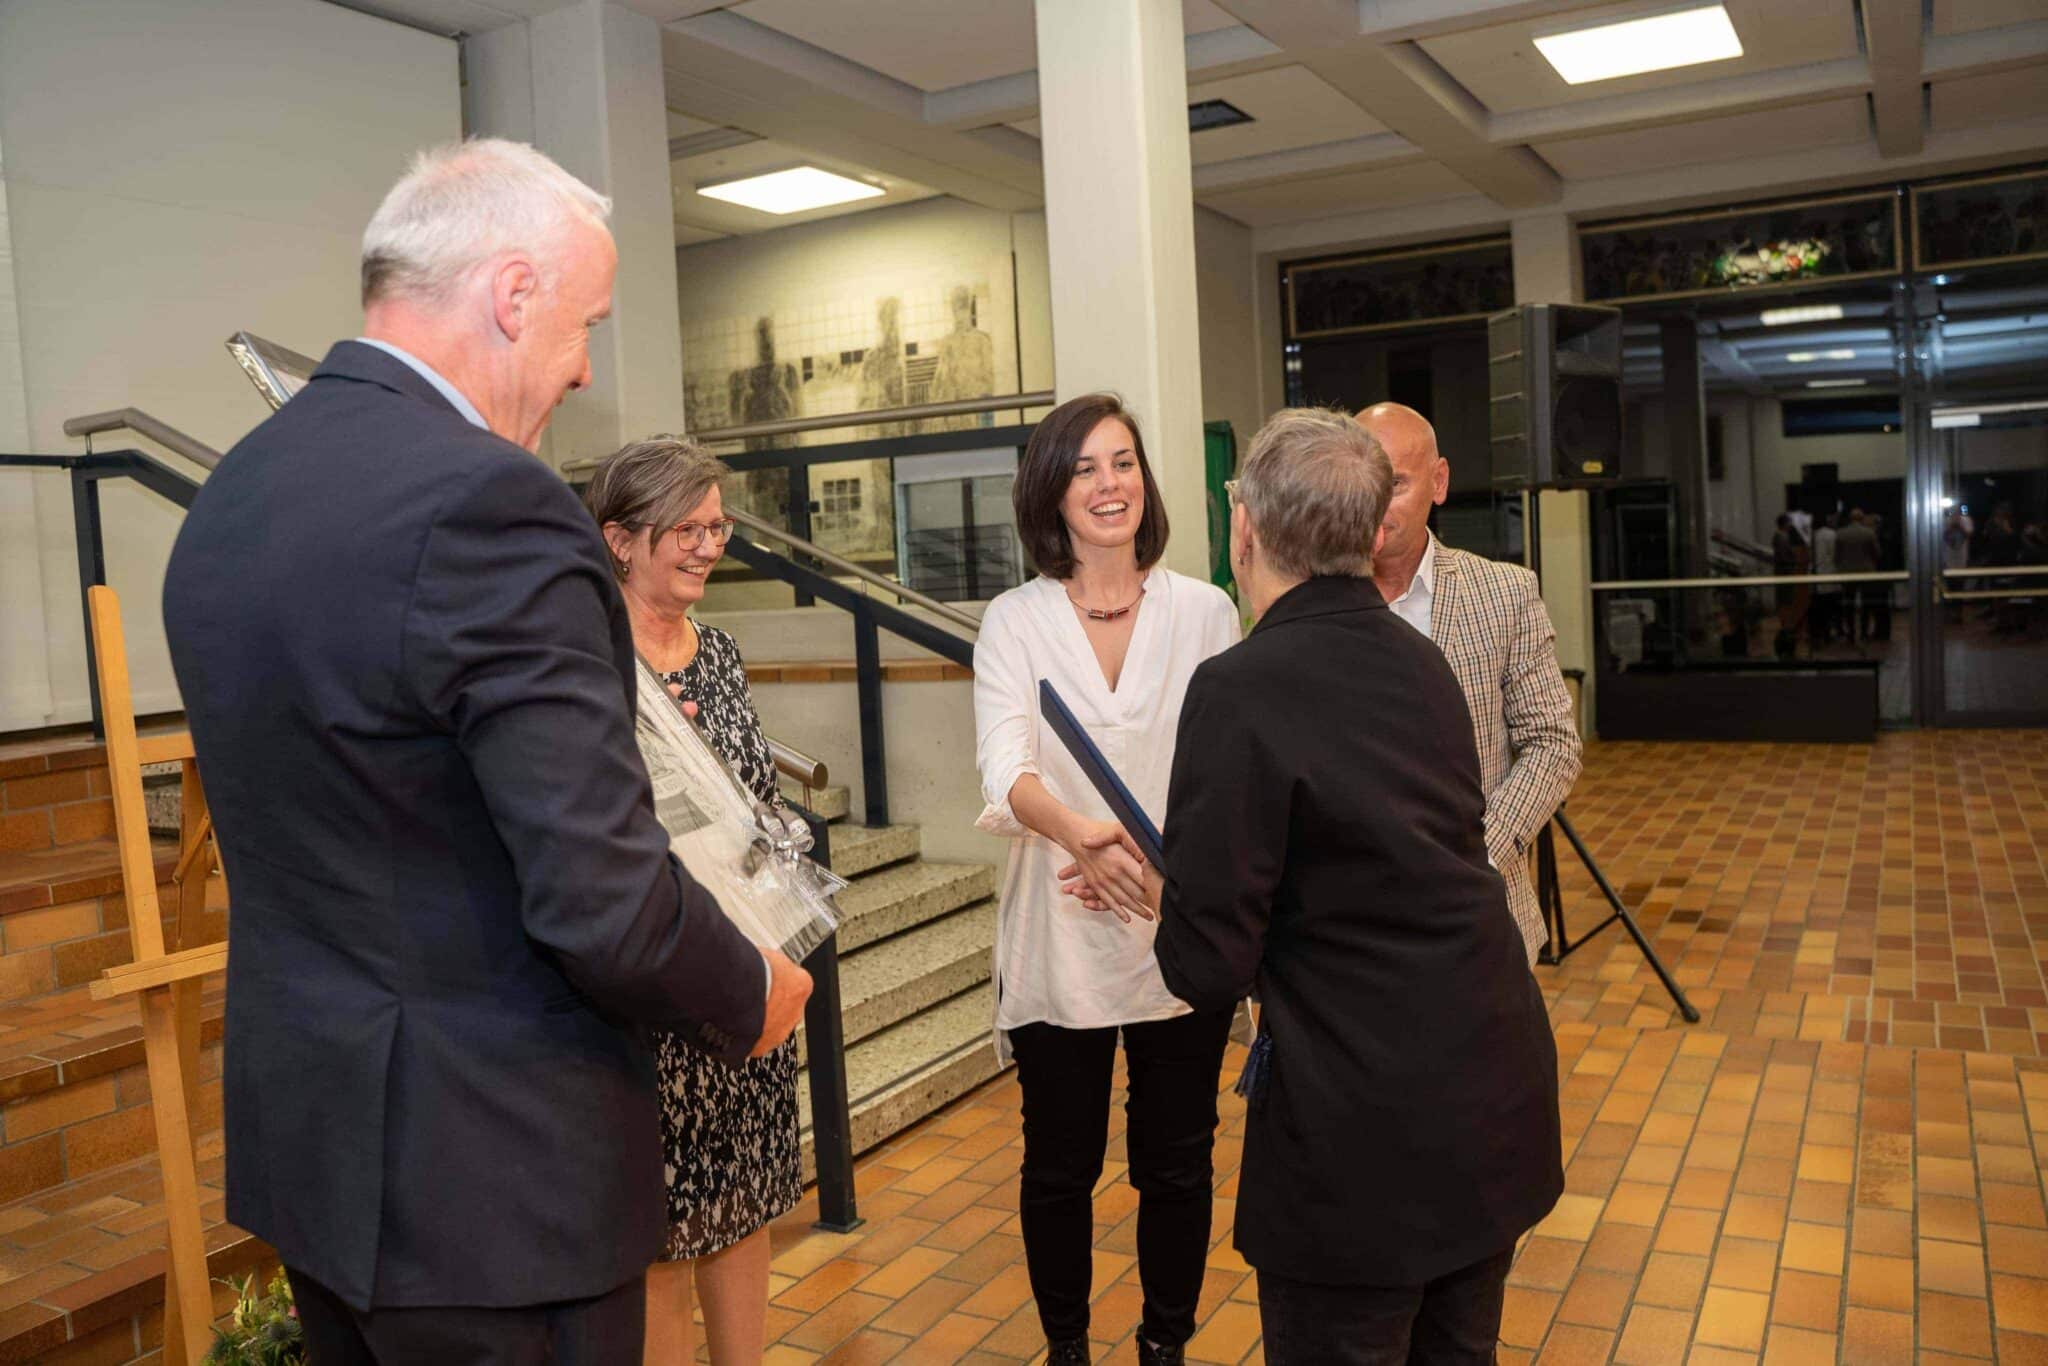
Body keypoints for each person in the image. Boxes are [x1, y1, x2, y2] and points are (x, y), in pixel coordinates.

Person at [161, 138, 812, 1363]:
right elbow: (600, 900)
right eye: (585, 325)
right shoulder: (493, 506)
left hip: (322, 1155)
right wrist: (748, 985)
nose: (581, 368)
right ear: (513, 294)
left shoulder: (235, 494)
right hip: (495, 1186)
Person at [1079, 407, 1562, 1365]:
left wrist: (1167, 886)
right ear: (1368, 529)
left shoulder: (1238, 687)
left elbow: (1207, 965)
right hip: (1491, 1093)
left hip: (1362, 1131)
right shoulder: (1421, 661)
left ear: (1246, 527)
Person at [971, 393, 1240, 1366]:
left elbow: (1230, 773)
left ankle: (1165, 1343)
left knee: (1177, 1160)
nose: (1108, 483)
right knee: (1059, 1164)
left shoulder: (1205, 611)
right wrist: (1081, 836)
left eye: (1122, 461)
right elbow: (1003, 765)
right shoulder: (1014, 620)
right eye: (1083, 467)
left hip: (1178, 920)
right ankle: (1068, 1347)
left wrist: (1173, 871)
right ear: (1050, 490)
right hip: (1061, 919)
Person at [584, 439, 802, 1365]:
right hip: (654, 990)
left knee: (745, 1203)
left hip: (742, 977)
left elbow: (753, 801)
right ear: (619, 540)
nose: (710, 546)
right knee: (663, 1232)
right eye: (687, 529)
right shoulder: (587, 667)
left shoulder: (721, 654)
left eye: (718, 527)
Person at [1354, 403, 1580, 966]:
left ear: (1439, 482)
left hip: (1482, 917)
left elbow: (1552, 742)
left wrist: (1478, 852)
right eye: (1361, 484)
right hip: (1354, 928)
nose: (1374, 504)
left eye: (1395, 484)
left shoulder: (1503, 593)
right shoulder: (1309, 600)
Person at [1835, 508, 1880, 645]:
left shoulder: (1841, 533)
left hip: (1847, 572)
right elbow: (1877, 553)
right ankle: (1864, 633)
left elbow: (1836, 555)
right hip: (1866, 571)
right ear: (1862, 519)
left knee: (1848, 604)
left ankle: (1851, 634)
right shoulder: (1869, 533)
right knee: (1866, 603)